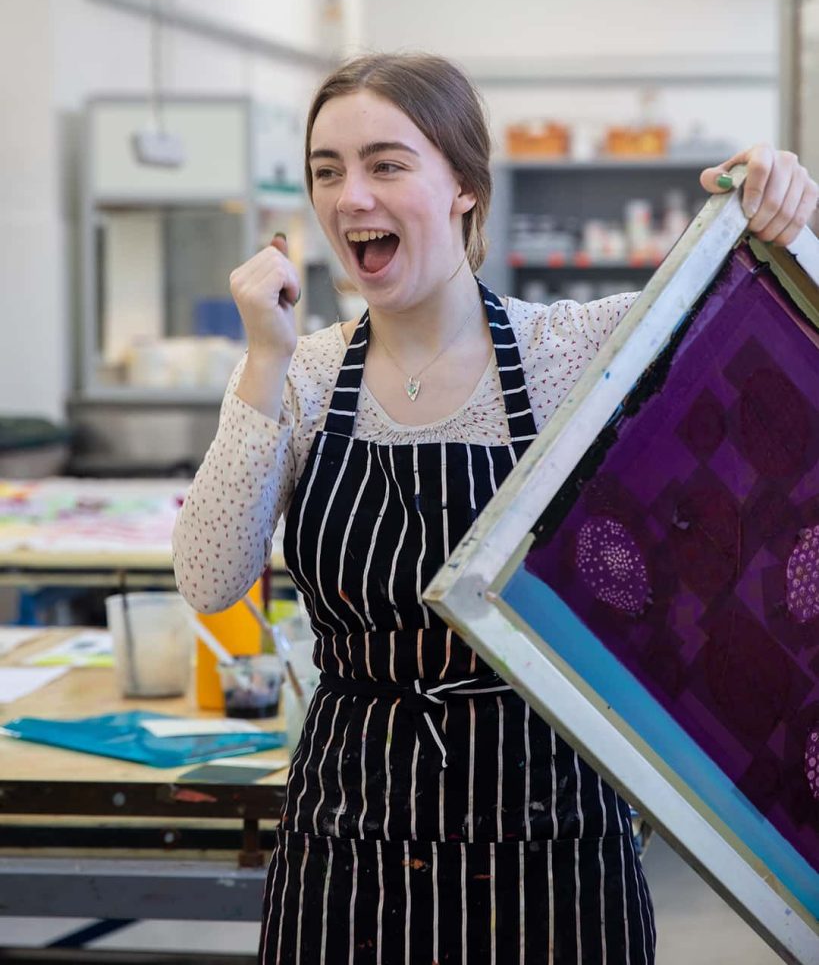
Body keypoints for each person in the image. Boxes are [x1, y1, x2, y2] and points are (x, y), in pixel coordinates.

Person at [172, 52, 818, 964]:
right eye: (327, 170)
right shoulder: (305, 374)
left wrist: (780, 201)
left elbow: (766, 325)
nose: (350, 195)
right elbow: (207, 579)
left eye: (386, 164)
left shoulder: (576, 354)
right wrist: (262, 360)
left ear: (465, 189)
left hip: (555, 840)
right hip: (350, 839)